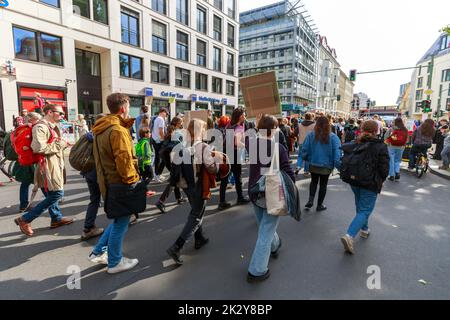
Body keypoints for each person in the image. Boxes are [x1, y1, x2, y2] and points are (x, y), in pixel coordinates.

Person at [88, 93, 140, 274]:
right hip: (120, 183)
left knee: (119, 219)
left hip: (108, 181)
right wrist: (134, 183)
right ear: (124, 108)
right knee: (121, 222)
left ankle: (98, 251)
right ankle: (115, 262)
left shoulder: (101, 128)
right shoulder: (117, 130)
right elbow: (124, 161)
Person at [246, 114, 295, 283]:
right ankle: (256, 270)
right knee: (265, 232)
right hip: (271, 193)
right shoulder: (278, 148)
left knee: (264, 225)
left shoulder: (251, 144)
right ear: (274, 130)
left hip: (254, 191)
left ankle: (275, 246)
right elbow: (287, 170)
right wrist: (292, 187)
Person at [166, 119, 222, 265]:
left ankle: (199, 238)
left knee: (195, 210)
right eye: (204, 129)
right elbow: (212, 168)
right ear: (200, 131)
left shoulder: (182, 144)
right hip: (198, 185)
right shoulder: (202, 146)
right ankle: (176, 247)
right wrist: (217, 163)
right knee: (196, 216)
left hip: (185, 184)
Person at [14, 104, 74, 237]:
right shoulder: (40, 127)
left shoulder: (51, 126)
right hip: (47, 166)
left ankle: (56, 219)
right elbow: (38, 148)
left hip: (52, 164)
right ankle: (25, 219)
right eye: (60, 113)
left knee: (50, 194)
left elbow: (51, 145)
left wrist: (63, 143)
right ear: (49, 112)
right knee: (57, 194)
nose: (63, 116)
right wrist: (61, 143)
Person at [340, 120, 389, 254]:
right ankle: (349, 235)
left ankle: (364, 229)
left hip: (354, 180)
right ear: (376, 131)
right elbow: (384, 168)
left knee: (360, 206)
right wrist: (381, 180)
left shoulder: (356, 142)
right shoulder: (380, 146)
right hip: (370, 182)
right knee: (365, 209)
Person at [302, 116, 342, 212]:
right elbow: (337, 154)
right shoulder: (334, 137)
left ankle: (310, 200)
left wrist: (306, 158)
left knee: (314, 182)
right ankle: (319, 205)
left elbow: (304, 150)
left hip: (313, 164)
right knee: (323, 185)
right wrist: (339, 167)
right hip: (326, 166)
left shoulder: (310, 135)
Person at [80, 114, 107, 241]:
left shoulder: (89, 134)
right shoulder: (102, 135)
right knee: (110, 196)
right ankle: (122, 220)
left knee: (94, 199)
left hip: (88, 171)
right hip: (99, 172)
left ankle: (88, 227)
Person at [218, 107, 250, 211]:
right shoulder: (239, 127)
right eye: (244, 115)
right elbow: (237, 143)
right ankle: (240, 198)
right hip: (235, 154)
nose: (245, 116)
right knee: (238, 176)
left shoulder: (229, 125)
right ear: (241, 116)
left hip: (226, 152)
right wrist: (246, 144)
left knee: (224, 178)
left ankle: (222, 202)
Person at [155, 116, 186, 214]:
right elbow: (181, 146)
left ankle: (179, 198)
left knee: (175, 177)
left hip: (168, 158)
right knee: (174, 180)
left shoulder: (171, 132)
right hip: (175, 158)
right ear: (177, 123)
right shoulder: (178, 133)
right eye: (181, 122)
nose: (182, 124)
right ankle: (161, 201)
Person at [12, 112, 42, 212]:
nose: (39, 122)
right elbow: (34, 146)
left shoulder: (18, 130)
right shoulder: (30, 129)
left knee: (26, 183)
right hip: (30, 161)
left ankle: (23, 205)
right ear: (31, 120)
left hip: (22, 160)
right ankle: (53, 200)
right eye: (37, 120)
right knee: (39, 181)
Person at [151, 108, 169, 182]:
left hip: (155, 140)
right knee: (163, 159)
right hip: (159, 141)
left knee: (158, 158)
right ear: (163, 112)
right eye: (166, 114)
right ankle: (157, 175)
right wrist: (164, 139)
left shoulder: (156, 118)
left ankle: (156, 174)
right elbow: (161, 131)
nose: (166, 115)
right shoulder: (161, 119)